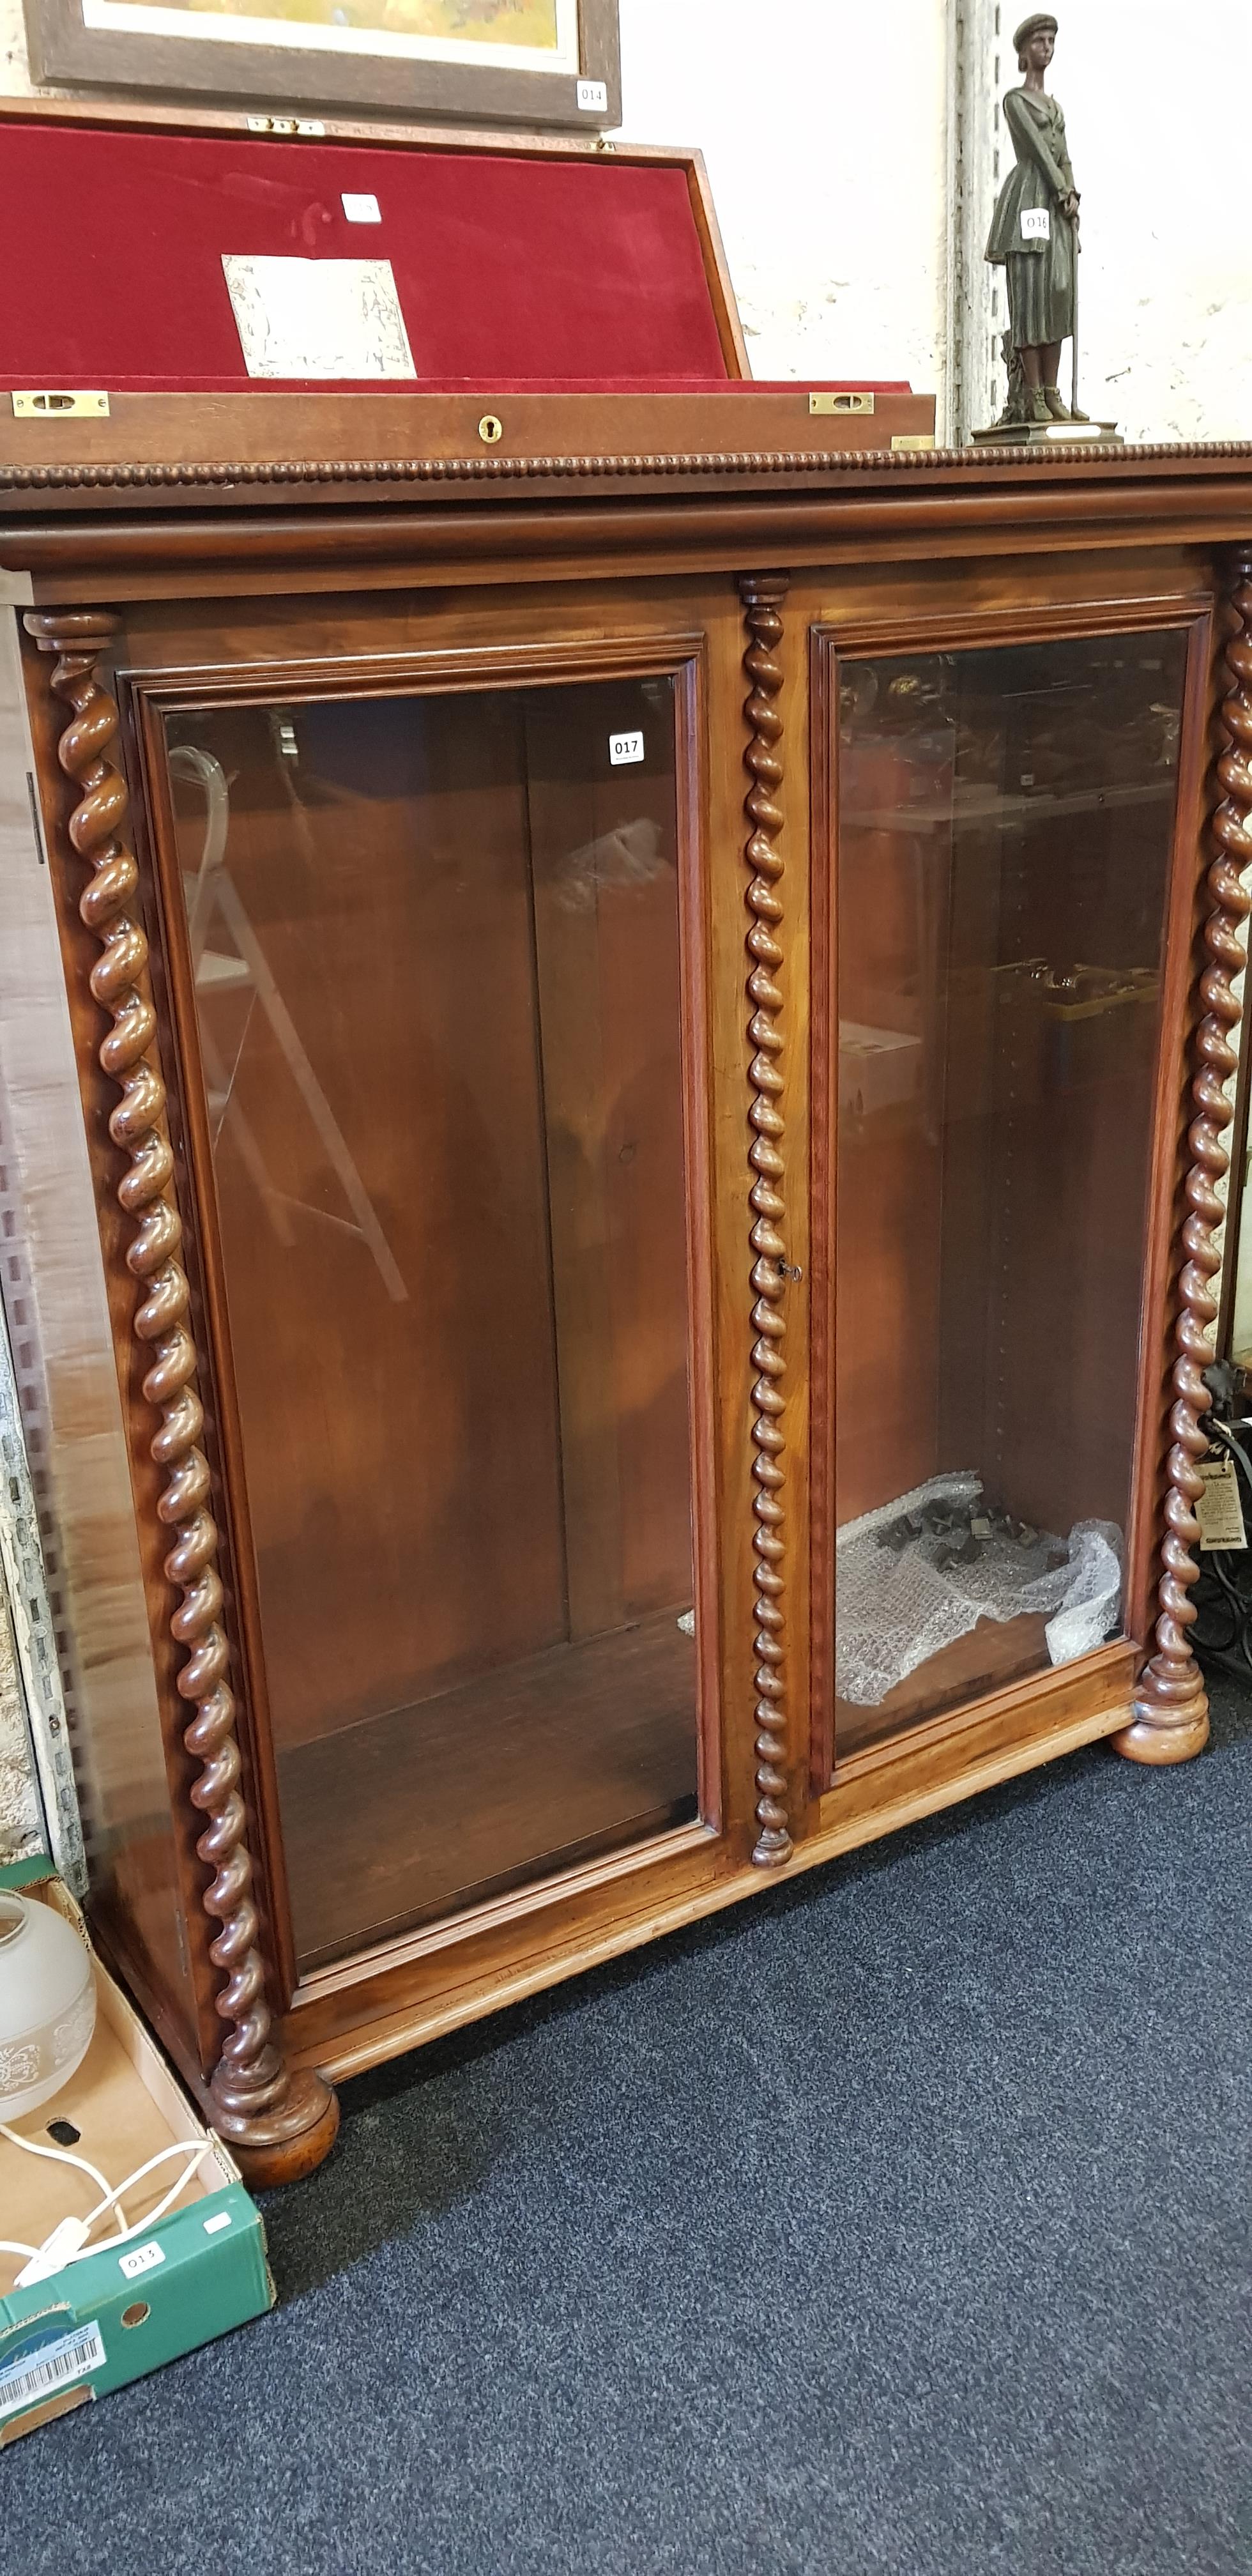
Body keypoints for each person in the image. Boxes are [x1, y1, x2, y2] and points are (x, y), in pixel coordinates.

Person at [986, 12, 1087, 425]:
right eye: (1039, 41)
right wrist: (1061, 189)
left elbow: (1063, 154)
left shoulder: (1056, 107)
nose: (1047, 47)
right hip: (1031, 199)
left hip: (1057, 204)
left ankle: (1054, 390)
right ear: (1024, 51)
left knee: (1059, 293)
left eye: (1051, 40)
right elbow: (1041, 154)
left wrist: (1073, 195)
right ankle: (1033, 393)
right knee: (1031, 297)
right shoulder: (1016, 101)